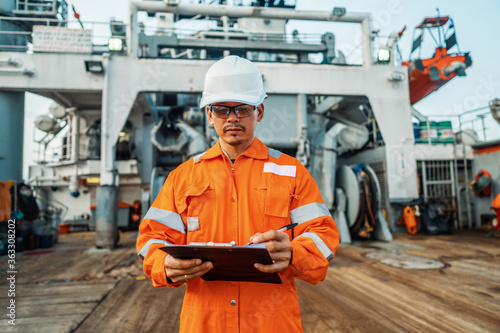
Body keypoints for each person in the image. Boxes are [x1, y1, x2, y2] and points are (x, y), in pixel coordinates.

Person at [137, 55, 340, 332]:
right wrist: (164, 263)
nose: (232, 118)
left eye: (242, 109)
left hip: (271, 323)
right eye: (221, 109)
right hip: (205, 323)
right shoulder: (182, 177)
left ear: (259, 112)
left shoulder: (292, 172)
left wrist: (293, 253)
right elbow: (151, 239)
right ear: (209, 115)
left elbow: (323, 235)